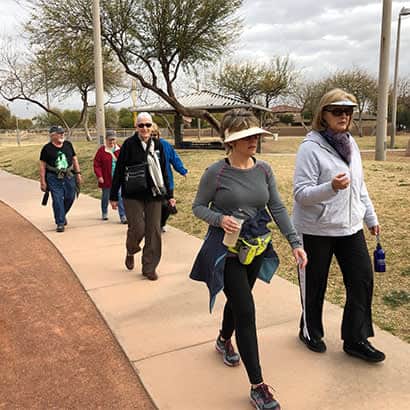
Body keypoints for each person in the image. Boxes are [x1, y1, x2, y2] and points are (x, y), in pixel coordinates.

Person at [190, 109, 307, 410]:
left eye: (255, 134)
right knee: (246, 310)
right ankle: (258, 386)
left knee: (238, 301)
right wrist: (220, 219)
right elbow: (199, 207)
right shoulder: (215, 173)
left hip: (255, 249)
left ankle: (222, 339)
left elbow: (277, 208)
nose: (254, 140)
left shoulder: (264, 170)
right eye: (246, 136)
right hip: (225, 252)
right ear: (230, 140)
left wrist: (295, 242)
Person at [293, 88, 385, 362]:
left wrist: (370, 217)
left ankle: (356, 339)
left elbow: (360, 185)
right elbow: (301, 193)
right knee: (315, 284)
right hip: (315, 229)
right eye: (337, 111)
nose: (344, 116)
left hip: (350, 226)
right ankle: (309, 330)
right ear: (324, 114)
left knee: (362, 280)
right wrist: (330, 188)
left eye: (348, 111)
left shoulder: (351, 143)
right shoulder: (310, 148)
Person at [110, 112, 175, 281]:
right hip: (132, 194)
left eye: (148, 125)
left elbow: (164, 171)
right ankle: (131, 249)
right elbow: (118, 171)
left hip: (154, 194)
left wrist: (170, 194)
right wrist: (113, 196)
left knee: (154, 231)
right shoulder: (128, 145)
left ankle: (149, 267)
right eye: (141, 125)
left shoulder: (159, 145)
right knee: (138, 228)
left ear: (152, 126)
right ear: (136, 127)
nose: (145, 128)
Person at [39, 125, 82, 232]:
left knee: (70, 197)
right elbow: (42, 165)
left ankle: (61, 215)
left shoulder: (68, 145)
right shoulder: (46, 149)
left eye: (63, 132)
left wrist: (78, 174)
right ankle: (60, 222)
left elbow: (74, 159)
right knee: (57, 199)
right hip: (53, 177)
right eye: (59, 133)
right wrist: (43, 181)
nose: (62, 134)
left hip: (68, 176)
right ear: (52, 135)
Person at [150, 123, 188, 231]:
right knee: (153, 205)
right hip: (151, 182)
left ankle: (161, 223)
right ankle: (154, 224)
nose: (153, 137)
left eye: (155, 134)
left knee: (167, 205)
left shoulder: (165, 145)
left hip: (166, 181)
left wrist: (182, 170)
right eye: (151, 135)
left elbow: (174, 159)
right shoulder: (144, 146)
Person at [93, 130, 127, 223]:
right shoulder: (101, 151)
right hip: (106, 178)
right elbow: (96, 164)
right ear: (106, 140)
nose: (111, 142)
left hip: (118, 178)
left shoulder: (120, 149)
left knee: (120, 195)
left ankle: (123, 216)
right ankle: (104, 212)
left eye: (113, 140)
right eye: (109, 140)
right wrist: (99, 176)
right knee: (106, 196)